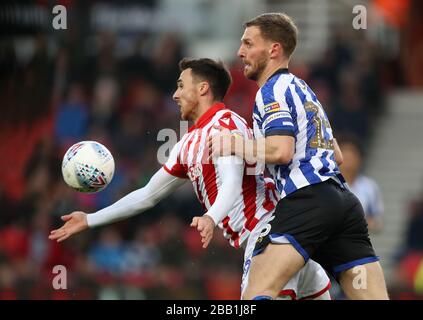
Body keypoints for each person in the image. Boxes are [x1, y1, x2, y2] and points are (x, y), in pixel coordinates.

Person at [49, 58, 331, 300]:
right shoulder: (187, 144)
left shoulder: (226, 124)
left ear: (203, 88)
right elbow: (147, 195)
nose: (175, 94)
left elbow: (231, 182)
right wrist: (90, 218)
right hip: (284, 241)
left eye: (181, 85)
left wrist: (211, 217)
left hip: (269, 236)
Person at [208, 13, 389, 300]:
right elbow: (337, 155)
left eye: (248, 43)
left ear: (274, 49)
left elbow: (281, 150)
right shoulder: (305, 90)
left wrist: (236, 143)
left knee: (256, 292)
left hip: (308, 201)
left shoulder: (271, 91)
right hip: (345, 205)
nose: (239, 52)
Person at [338, 136, 384, 232]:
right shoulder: (327, 184)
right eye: (344, 152)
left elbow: (378, 222)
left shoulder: (369, 187)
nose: (348, 157)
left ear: (359, 158)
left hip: (359, 241)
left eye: (352, 153)